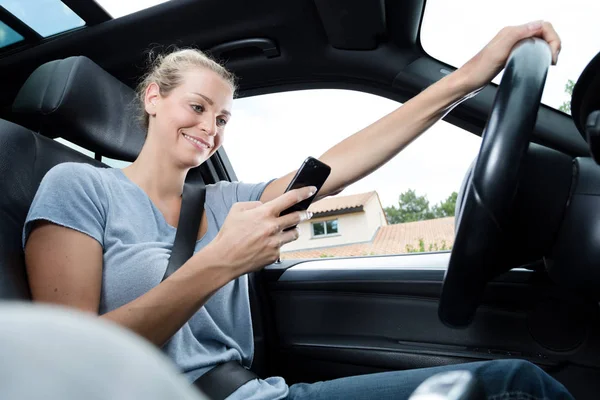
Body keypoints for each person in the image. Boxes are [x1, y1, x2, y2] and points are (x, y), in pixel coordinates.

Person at [22, 20, 572, 399]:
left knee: (515, 384)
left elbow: (336, 166)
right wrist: (218, 262)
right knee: (513, 389)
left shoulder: (223, 201)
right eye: (197, 107)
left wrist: (469, 77)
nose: (210, 128)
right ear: (152, 98)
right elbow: (72, 360)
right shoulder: (79, 186)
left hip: (260, 393)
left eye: (223, 118)